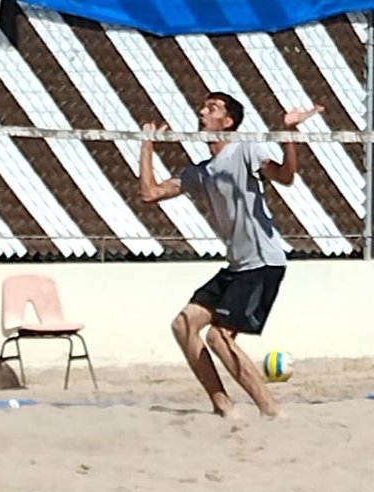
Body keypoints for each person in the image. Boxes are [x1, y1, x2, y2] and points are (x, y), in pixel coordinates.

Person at [139, 92, 324, 418]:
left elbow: (286, 177)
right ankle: (223, 405)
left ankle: (272, 410)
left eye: (211, 108)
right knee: (183, 325)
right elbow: (149, 193)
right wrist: (147, 146)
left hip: (263, 263)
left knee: (218, 337)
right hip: (237, 266)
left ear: (228, 121)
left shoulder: (245, 150)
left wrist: (290, 133)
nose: (202, 111)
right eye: (203, 106)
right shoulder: (201, 172)